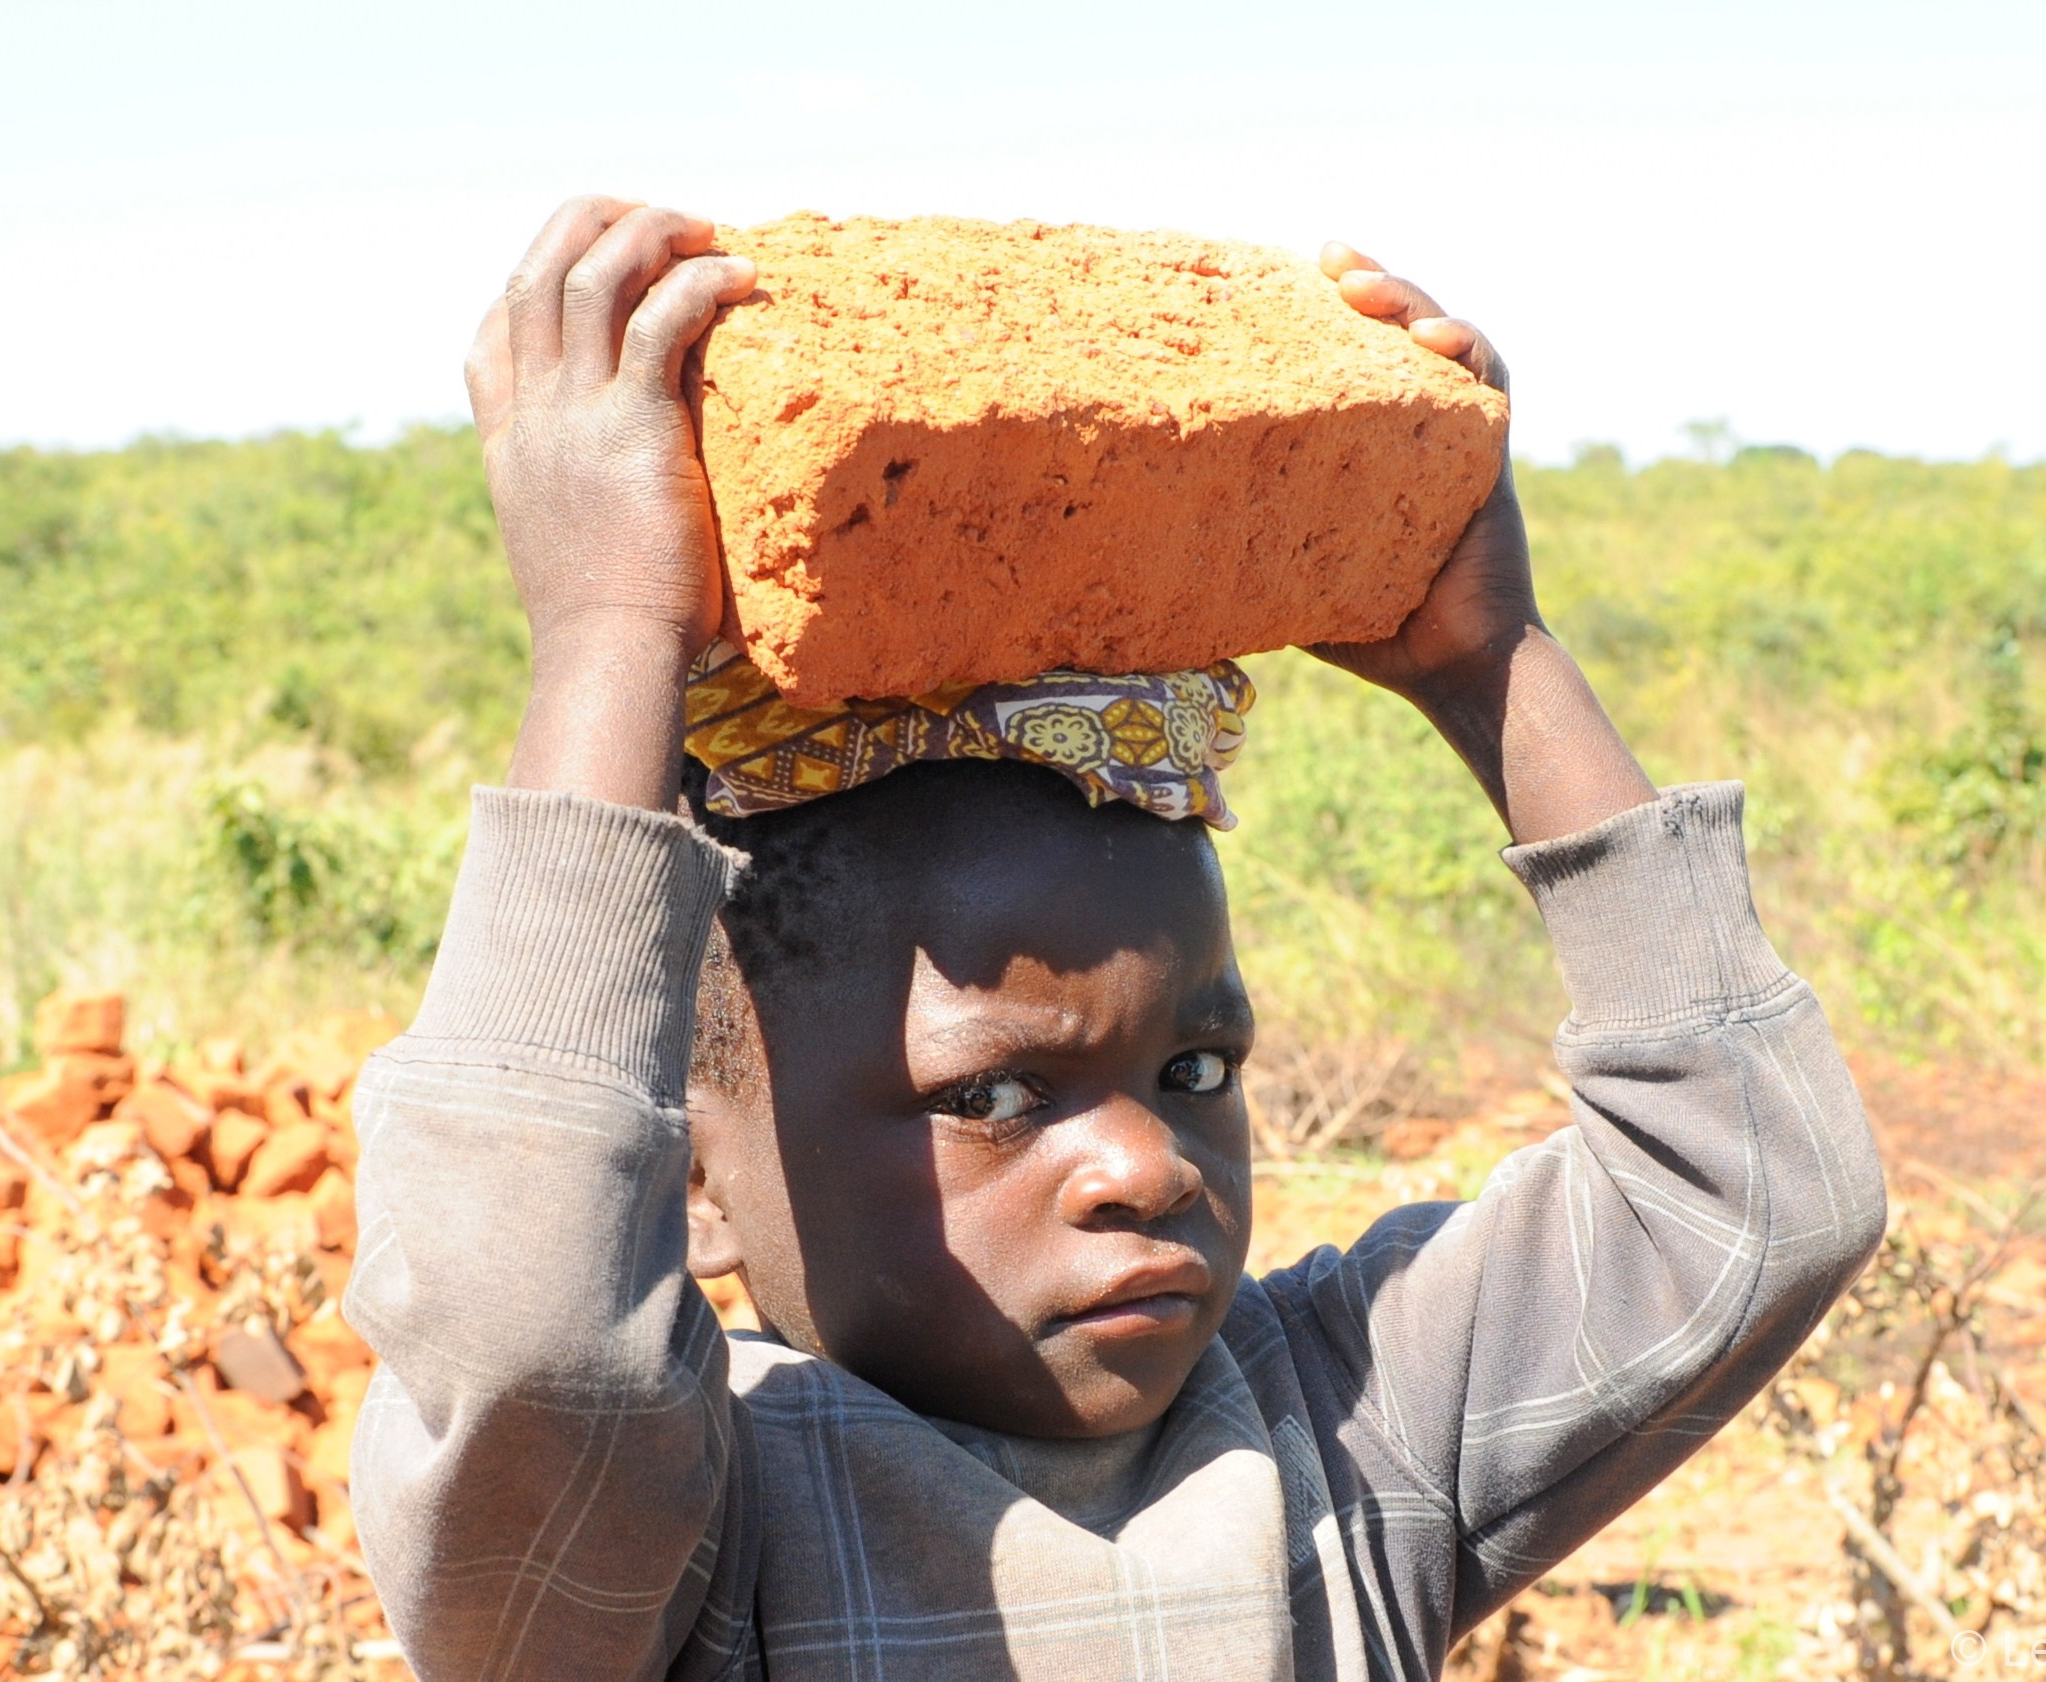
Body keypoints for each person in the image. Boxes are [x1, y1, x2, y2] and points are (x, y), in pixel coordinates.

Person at [342, 196, 1888, 1682]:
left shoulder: (1335, 1439)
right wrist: (613, 631)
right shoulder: (675, 1534)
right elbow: (530, 1334)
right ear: (686, 1180)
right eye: (995, 1099)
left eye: (1198, 1061)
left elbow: (1757, 1191)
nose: (1148, 1167)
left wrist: (1492, 666)